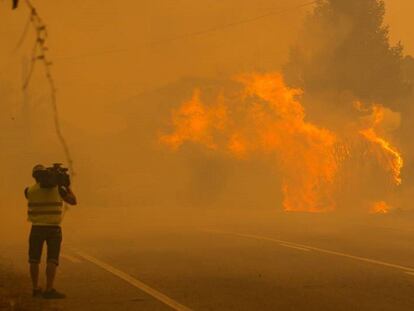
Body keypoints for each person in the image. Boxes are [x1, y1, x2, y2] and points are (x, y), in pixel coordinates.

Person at [24, 164, 77, 299]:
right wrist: (66, 185)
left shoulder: (28, 190)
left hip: (36, 228)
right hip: (54, 228)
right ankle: (49, 289)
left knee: (34, 259)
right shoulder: (59, 190)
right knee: (52, 259)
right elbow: (73, 201)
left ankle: (35, 288)